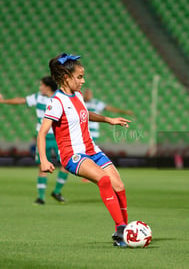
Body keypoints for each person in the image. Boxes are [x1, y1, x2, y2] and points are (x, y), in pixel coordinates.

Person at [37, 53, 130, 247]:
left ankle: (124, 231)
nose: (83, 81)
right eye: (79, 77)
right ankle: (122, 229)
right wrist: (45, 160)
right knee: (104, 180)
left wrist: (108, 120)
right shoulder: (56, 102)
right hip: (73, 155)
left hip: (92, 150)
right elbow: (42, 133)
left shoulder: (77, 95)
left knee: (119, 186)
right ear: (65, 77)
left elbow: (85, 114)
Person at [0, 76, 69, 205]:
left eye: (41, 85)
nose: (40, 88)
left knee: (66, 164)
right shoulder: (38, 97)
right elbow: (20, 100)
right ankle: (41, 198)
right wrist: (3, 101)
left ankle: (56, 191)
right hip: (43, 137)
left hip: (59, 137)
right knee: (42, 167)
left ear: (47, 87)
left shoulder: (61, 97)